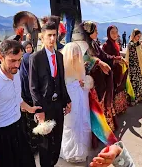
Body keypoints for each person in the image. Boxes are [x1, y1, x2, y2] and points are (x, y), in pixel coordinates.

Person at [0, 40, 41, 167]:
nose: (17, 65)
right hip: (1, 136)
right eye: (12, 60)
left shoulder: (16, 73)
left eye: (19, 60)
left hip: (19, 129)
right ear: (1, 58)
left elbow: (17, 98)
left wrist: (29, 108)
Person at [29, 21, 72, 167]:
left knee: (57, 141)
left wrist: (67, 100)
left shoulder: (59, 56)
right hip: (44, 107)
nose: (52, 39)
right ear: (42, 37)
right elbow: (33, 87)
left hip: (58, 105)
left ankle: (52, 164)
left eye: (54, 35)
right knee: (45, 144)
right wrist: (39, 110)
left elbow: (61, 81)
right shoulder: (36, 58)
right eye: (49, 36)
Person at [80, 21, 125, 132]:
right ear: (89, 31)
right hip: (94, 82)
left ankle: (107, 128)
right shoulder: (84, 45)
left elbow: (104, 56)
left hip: (102, 79)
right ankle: (100, 131)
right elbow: (86, 60)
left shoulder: (94, 44)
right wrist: (98, 62)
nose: (97, 32)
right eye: (95, 30)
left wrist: (117, 58)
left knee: (105, 103)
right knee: (98, 105)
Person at [60, 42, 92, 163]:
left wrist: (83, 83)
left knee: (80, 121)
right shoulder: (62, 68)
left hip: (80, 98)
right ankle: (68, 150)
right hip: (69, 99)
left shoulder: (80, 66)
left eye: (77, 53)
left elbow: (83, 81)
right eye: (74, 53)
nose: (76, 56)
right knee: (70, 124)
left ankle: (80, 150)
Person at [103, 26, 128, 114]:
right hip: (111, 72)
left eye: (116, 32)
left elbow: (117, 54)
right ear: (108, 34)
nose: (114, 34)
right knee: (113, 90)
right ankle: (113, 111)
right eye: (112, 32)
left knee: (118, 88)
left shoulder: (115, 44)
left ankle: (118, 108)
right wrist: (119, 59)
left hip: (117, 70)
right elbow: (106, 59)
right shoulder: (106, 45)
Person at [20, 51, 39, 155]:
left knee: (35, 124)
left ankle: (36, 145)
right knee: (29, 126)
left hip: (34, 102)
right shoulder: (20, 74)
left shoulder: (34, 72)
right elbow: (20, 90)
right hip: (25, 103)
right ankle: (32, 146)